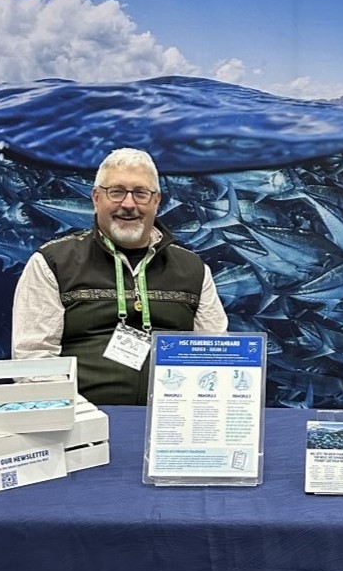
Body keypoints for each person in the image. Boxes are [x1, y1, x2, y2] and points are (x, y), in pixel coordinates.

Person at [12, 148, 228, 405]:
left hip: (174, 424)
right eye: (116, 192)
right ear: (95, 198)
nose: (128, 204)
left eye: (140, 193)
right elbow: (34, 360)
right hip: (84, 425)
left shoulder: (193, 267)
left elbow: (216, 356)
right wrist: (84, 419)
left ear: (156, 201)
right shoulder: (52, 262)